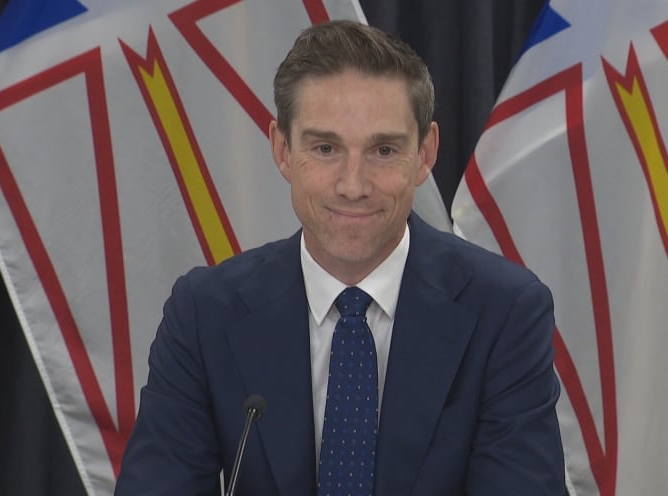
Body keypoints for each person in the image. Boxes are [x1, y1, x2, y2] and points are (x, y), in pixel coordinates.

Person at [115, 20, 564, 495]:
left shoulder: (505, 313)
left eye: (384, 150)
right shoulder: (204, 314)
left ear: (425, 153)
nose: (353, 185)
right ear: (283, 150)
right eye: (325, 148)